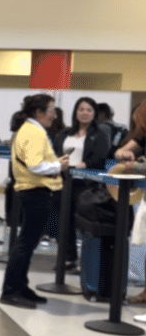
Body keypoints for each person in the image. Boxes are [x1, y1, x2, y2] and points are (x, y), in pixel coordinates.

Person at [1, 94, 70, 309]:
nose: (54, 115)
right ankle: (11, 290)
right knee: (25, 243)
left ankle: (21, 286)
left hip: (34, 191)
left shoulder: (32, 130)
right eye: (51, 110)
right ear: (39, 112)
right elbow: (35, 165)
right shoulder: (33, 132)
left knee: (28, 243)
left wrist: (55, 163)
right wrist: (58, 167)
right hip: (35, 191)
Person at [51, 97, 110, 271]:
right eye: (81, 109)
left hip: (85, 184)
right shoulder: (64, 133)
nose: (84, 113)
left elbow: (100, 158)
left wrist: (84, 165)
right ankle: (68, 257)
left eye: (89, 110)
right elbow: (55, 152)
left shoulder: (100, 134)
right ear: (75, 112)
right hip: (63, 181)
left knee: (83, 221)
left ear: (95, 114)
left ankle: (87, 261)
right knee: (63, 220)